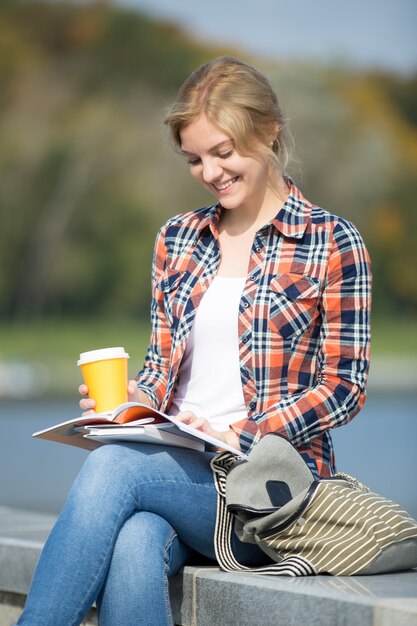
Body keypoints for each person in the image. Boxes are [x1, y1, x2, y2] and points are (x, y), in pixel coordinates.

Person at [16, 56, 371, 625]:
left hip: (268, 491)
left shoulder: (331, 241)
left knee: (114, 469)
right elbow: (162, 366)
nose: (210, 172)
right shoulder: (178, 239)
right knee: (135, 538)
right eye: (195, 159)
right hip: (177, 473)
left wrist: (244, 432)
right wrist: (131, 409)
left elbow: (344, 388)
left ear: (269, 131)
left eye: (223, 153)